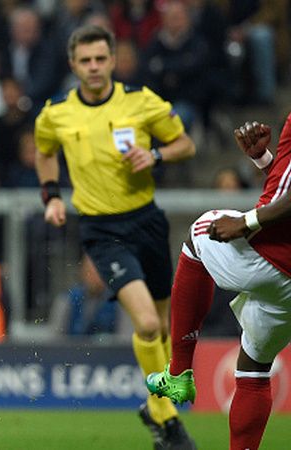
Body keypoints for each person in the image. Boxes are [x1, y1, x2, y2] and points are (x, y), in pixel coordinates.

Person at [34, 25, 197, 449]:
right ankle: (165, 411)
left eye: (100, 59)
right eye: (85, 61)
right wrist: (51, 196)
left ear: (112, 60)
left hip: (147, 221)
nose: (93, 67)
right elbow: (44, 150)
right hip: (102, 229)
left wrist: (157, 153)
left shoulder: (141, 101)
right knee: (144, 322)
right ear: (73, 65)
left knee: (161, 326)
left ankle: (154, 408)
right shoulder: (56, 113)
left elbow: (185, 144)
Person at [147, 119, 291, 450]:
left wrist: (247, 221)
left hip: (272, 257)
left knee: (198, 235)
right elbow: (285, 184)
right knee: (254, 367)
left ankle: (179, 370)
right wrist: (264, 160)